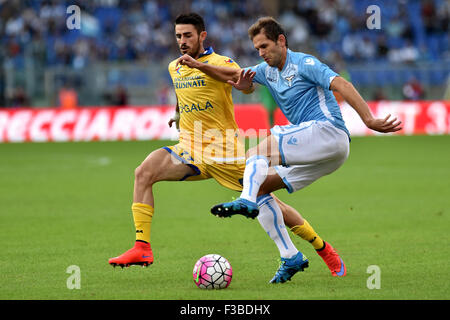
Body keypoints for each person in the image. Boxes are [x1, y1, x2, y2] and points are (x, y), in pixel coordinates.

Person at [108, 13, 344, 284]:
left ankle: (322, 248)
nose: (182, 41)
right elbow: (180, 92)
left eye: (187, 35)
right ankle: (142, 247)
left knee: (266, 199)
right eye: (178, 36)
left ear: (202, 36)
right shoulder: (175, 66)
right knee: (144, 171)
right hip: (190, 148)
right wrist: (177, 113)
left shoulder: (223, 63)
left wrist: (201, 67)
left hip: (225, 152)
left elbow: (244, 88)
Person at [176, 16, 402, 279]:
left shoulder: (304, 63)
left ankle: (245, 201)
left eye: (264, 46)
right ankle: (291, 256)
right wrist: (198, 66)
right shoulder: (266, 70)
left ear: (281, 41)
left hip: (328, 132)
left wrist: (369, 119)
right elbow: (234, 75)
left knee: (255, 154)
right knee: (260, 185)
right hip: (325, 153)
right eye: (257, 49)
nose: (261, 53)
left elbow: (342, 84)